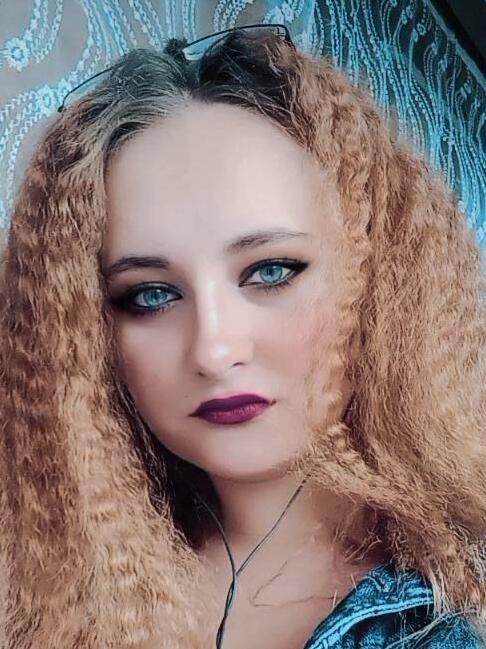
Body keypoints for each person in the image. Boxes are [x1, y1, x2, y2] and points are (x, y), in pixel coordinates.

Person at [0, 24, 484, 649]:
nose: (214, 350)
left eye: (271, 271)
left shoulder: (456, 608)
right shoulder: (41, 587)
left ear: (379, 280)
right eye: (150, 295)